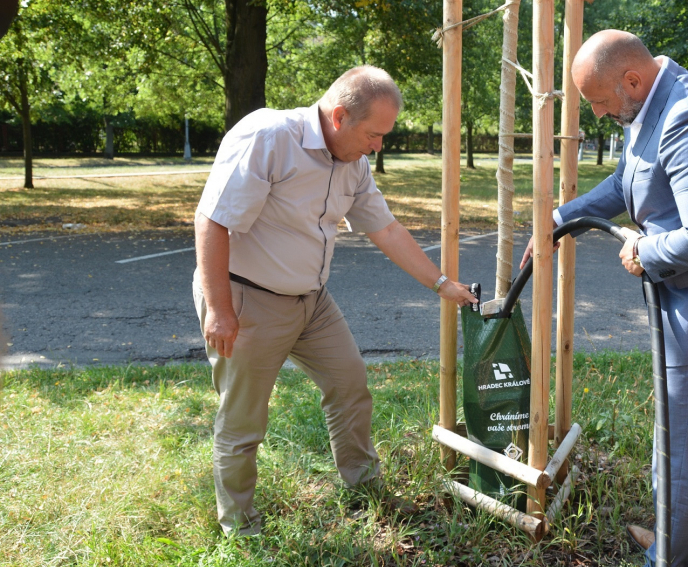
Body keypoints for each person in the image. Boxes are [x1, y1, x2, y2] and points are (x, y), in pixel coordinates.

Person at [521, 30, 688, 567]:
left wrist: (644, 251)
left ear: (631, 80)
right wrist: (562, 219)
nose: (603, 114)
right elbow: (630, 181)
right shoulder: (652, 102)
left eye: (603, 103)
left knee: (678, 455)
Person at [194, 65, 476, 536]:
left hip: (312, 301)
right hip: (247, 299)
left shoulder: (355, 164)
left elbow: (385, 229)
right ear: (340, 116)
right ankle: (240, 530)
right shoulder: (268, 137)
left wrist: (442, 283)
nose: (378, 146)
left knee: (349, 386)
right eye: (373, 134)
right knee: (244, 420)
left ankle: (363, 486)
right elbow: (212, 221)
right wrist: (221, 310)